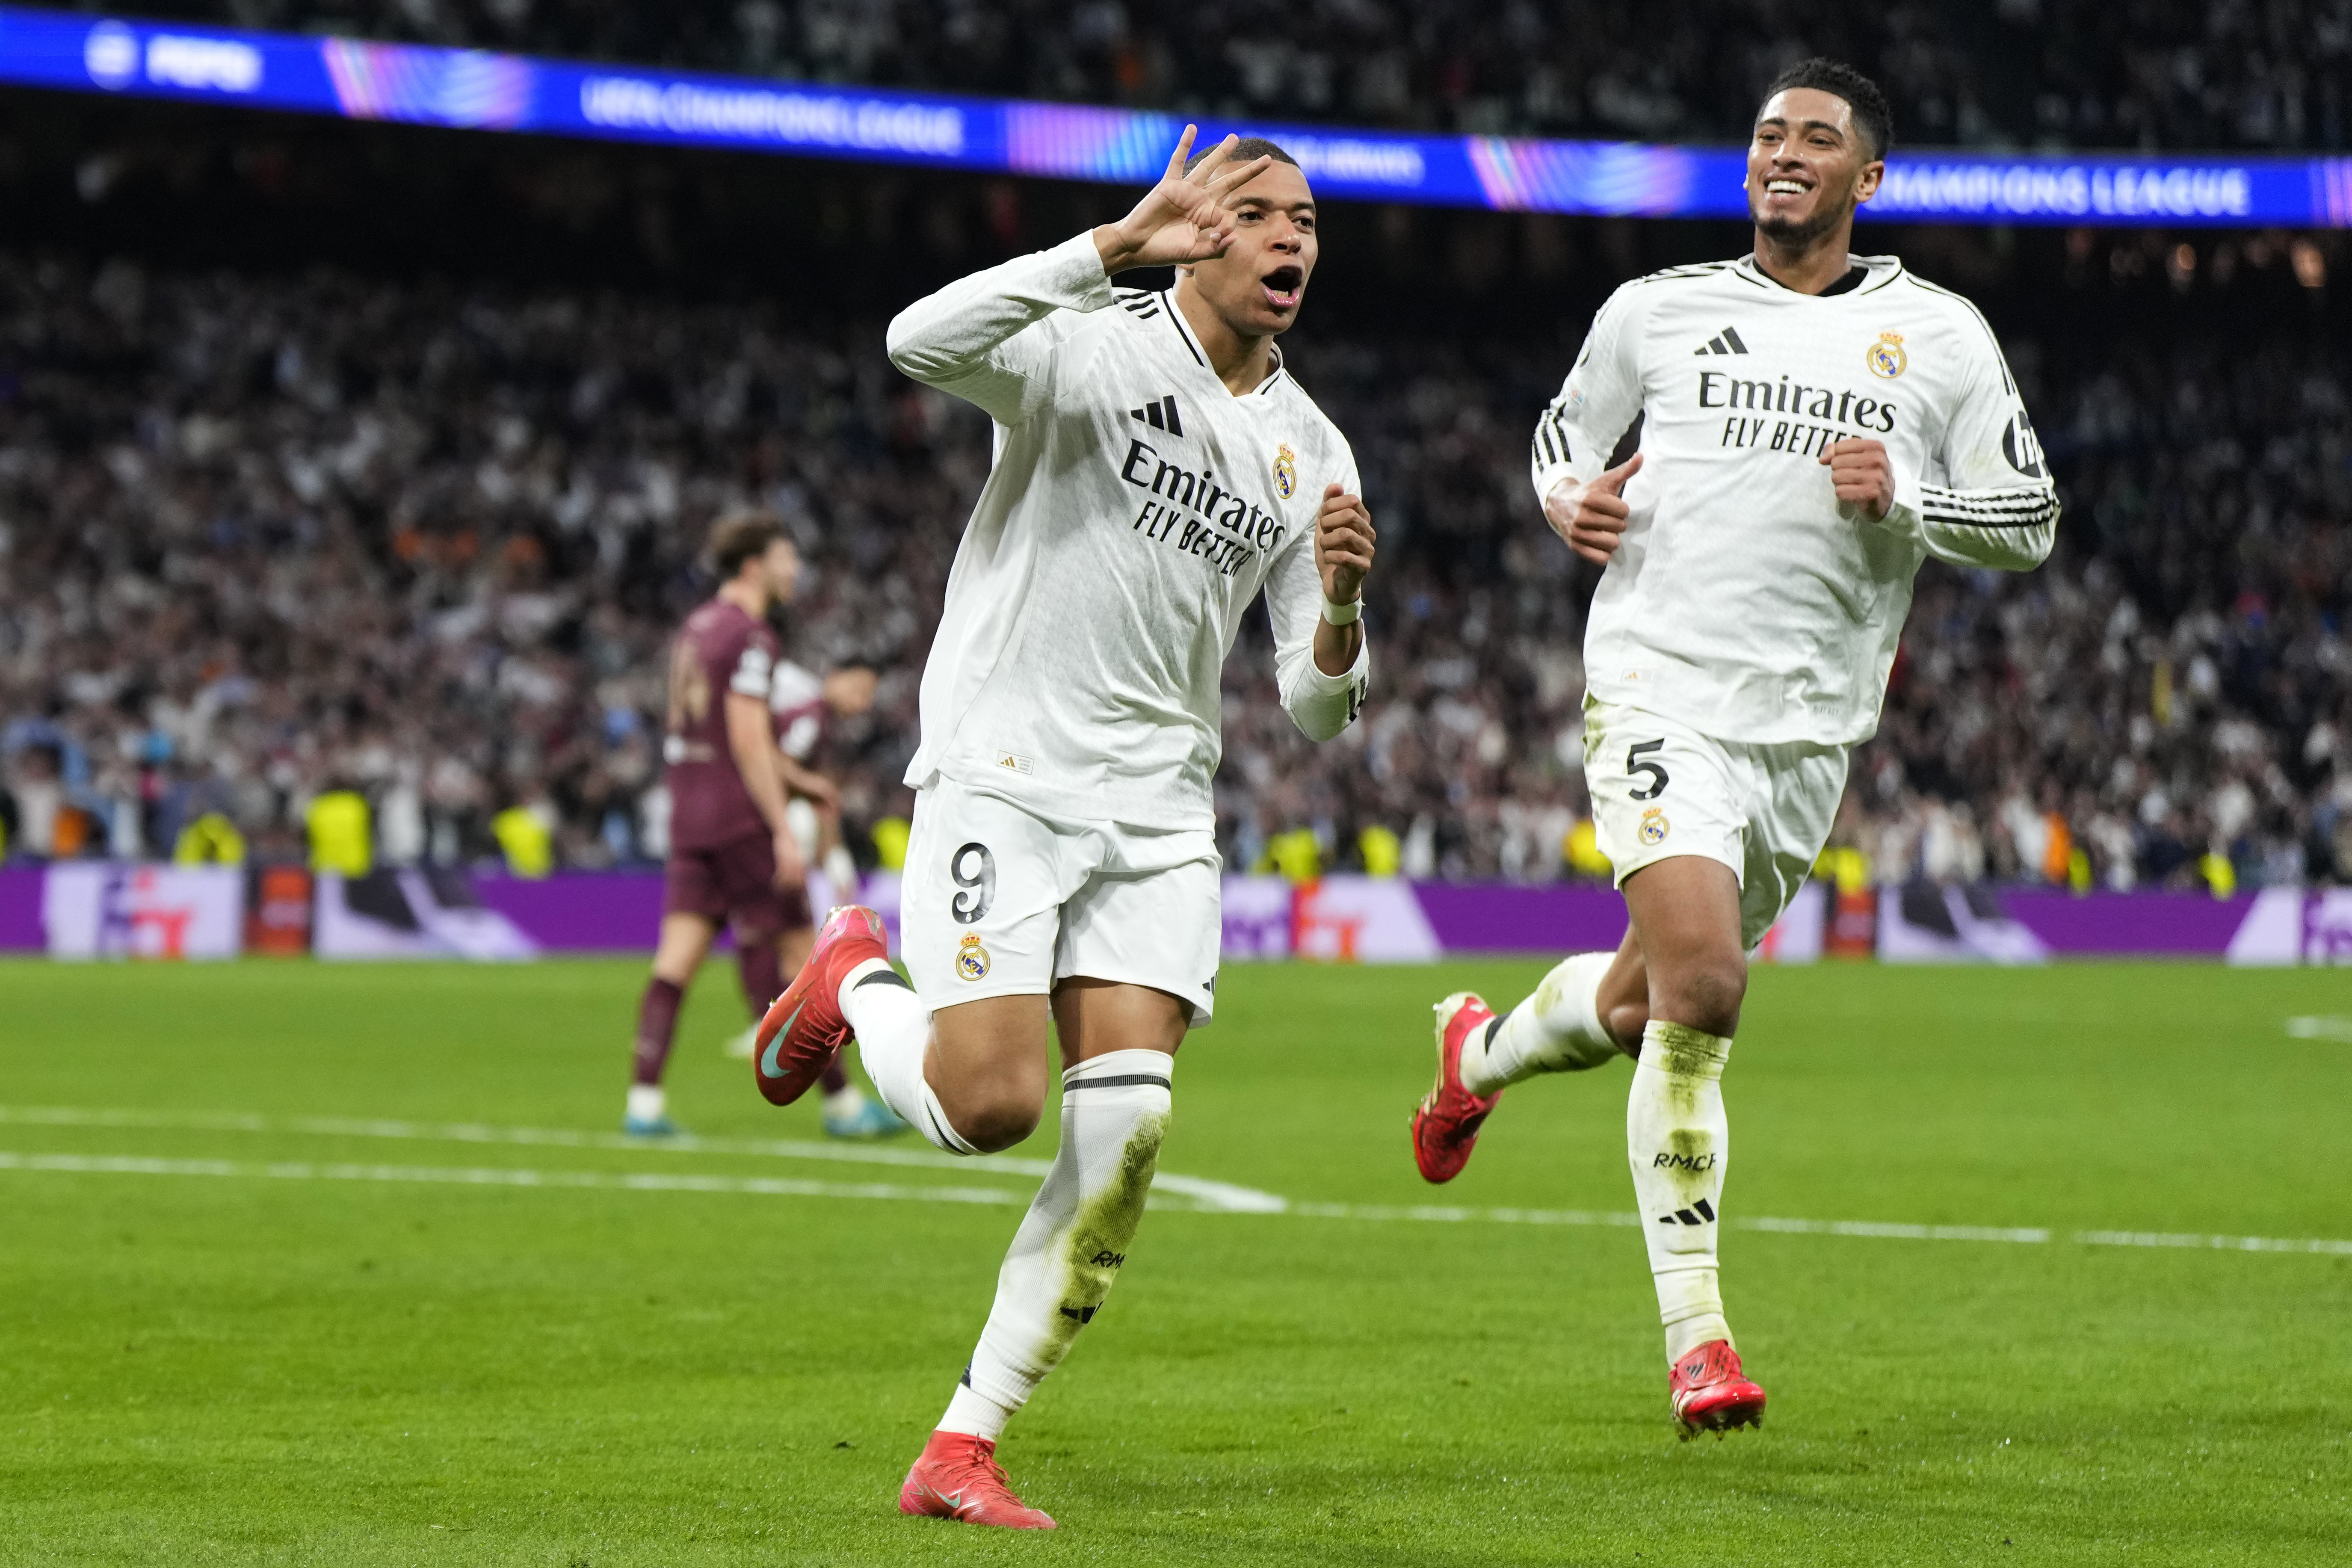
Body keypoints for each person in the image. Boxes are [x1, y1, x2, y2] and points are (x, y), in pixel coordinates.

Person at [1409, 58, 2057, 1435]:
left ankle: (1475, 1058)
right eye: (1767, 134)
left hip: (1810, 728)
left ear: (1864, 178)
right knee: (1703, 990)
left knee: (1649, 995)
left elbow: (2031, 518)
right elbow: (1556, 445)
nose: (1782, 153)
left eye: (1816, 139)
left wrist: (1913, 495)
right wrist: (1566, 503)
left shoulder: (1936, 336)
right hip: (1656, 683)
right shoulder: (1655, 310)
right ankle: (1698, 1341)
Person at [752, 129, 1376, 1527]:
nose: (1291, 240)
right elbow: (916, 341)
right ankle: (849, 975)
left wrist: (1339, 609)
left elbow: (1319, 710)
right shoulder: (1083, 342)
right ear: (1198, 227)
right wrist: (1106, 242)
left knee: (1131, 1128)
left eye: (1310, 220)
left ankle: (965, 1439)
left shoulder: (1311, 447)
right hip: (1010, 773)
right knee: (990, 1106)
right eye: (1259, 213)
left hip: (1158, 812)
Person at [626, 511, 892, 1139]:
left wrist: (803, 783)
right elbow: (748, 738)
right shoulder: (751, 634)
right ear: (754, 565)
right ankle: (844, 1107)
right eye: (785, 557)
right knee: (808, 955)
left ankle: (643, 1105)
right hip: (739, 816)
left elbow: (710, 731)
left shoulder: (695, 628)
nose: (794, 568)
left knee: (675, 962)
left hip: (689, 812)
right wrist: (780, 825)